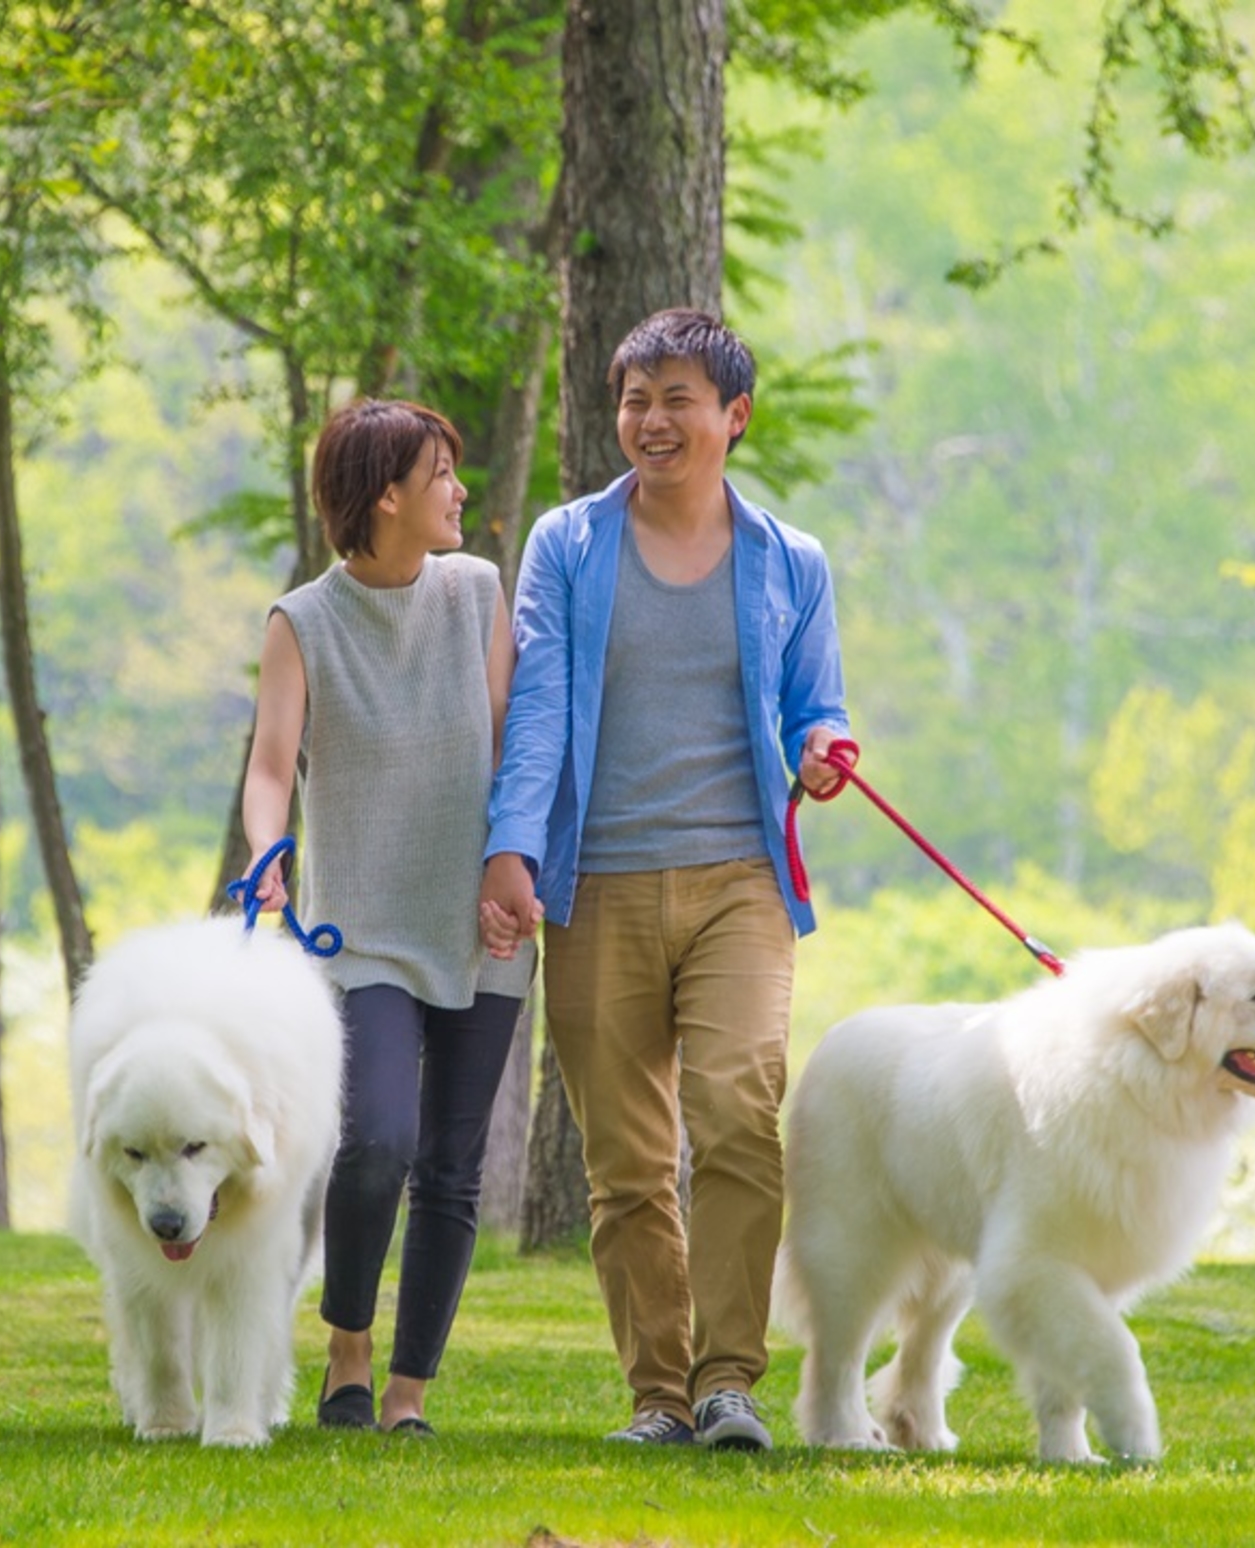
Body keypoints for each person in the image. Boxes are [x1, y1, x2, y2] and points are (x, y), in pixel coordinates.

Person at [478, 309, 849, 1451]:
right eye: (635, 399)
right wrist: (512, 847)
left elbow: (815, 699)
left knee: (739, 1112)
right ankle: (657, 1397)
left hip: (741, 880)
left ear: (733, 417)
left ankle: (730, 1381)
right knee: (629, 1161)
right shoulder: (569, 546)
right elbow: (537, 706)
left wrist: (829, 744)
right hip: (599, 884)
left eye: (677, 399)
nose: (651, 420)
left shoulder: (790, 559)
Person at [241, 398, 533, 1438]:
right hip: (359, 923)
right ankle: (348, 1345)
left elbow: (513, 741)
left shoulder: (476, 592)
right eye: (441, 473)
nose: (460, 491)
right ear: (386, 497)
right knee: (377, 1142)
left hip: (479, 920)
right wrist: (267, 854)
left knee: (453, 1163)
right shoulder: (302, 622)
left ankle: (408, 1393)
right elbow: (272, 766)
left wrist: (516, 873)